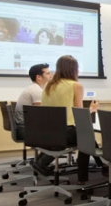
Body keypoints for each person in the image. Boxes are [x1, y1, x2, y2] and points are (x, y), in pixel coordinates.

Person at [32, 55, 101, 183]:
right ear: (74, 69)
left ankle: (101, 165)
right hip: (64, 133)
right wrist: (92, 109)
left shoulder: (48, 85)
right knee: (87, 137)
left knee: (86, 135)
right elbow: (80, 114)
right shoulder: (76, 86)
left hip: (45, 132)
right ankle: (83, 177)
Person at [13, 63, 51, 138]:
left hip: (25, 126)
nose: (51, 76)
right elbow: (42, 114)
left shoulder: (34, 88)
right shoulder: (36, 90)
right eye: (48, 73)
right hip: (25, 128)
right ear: (39, 77)